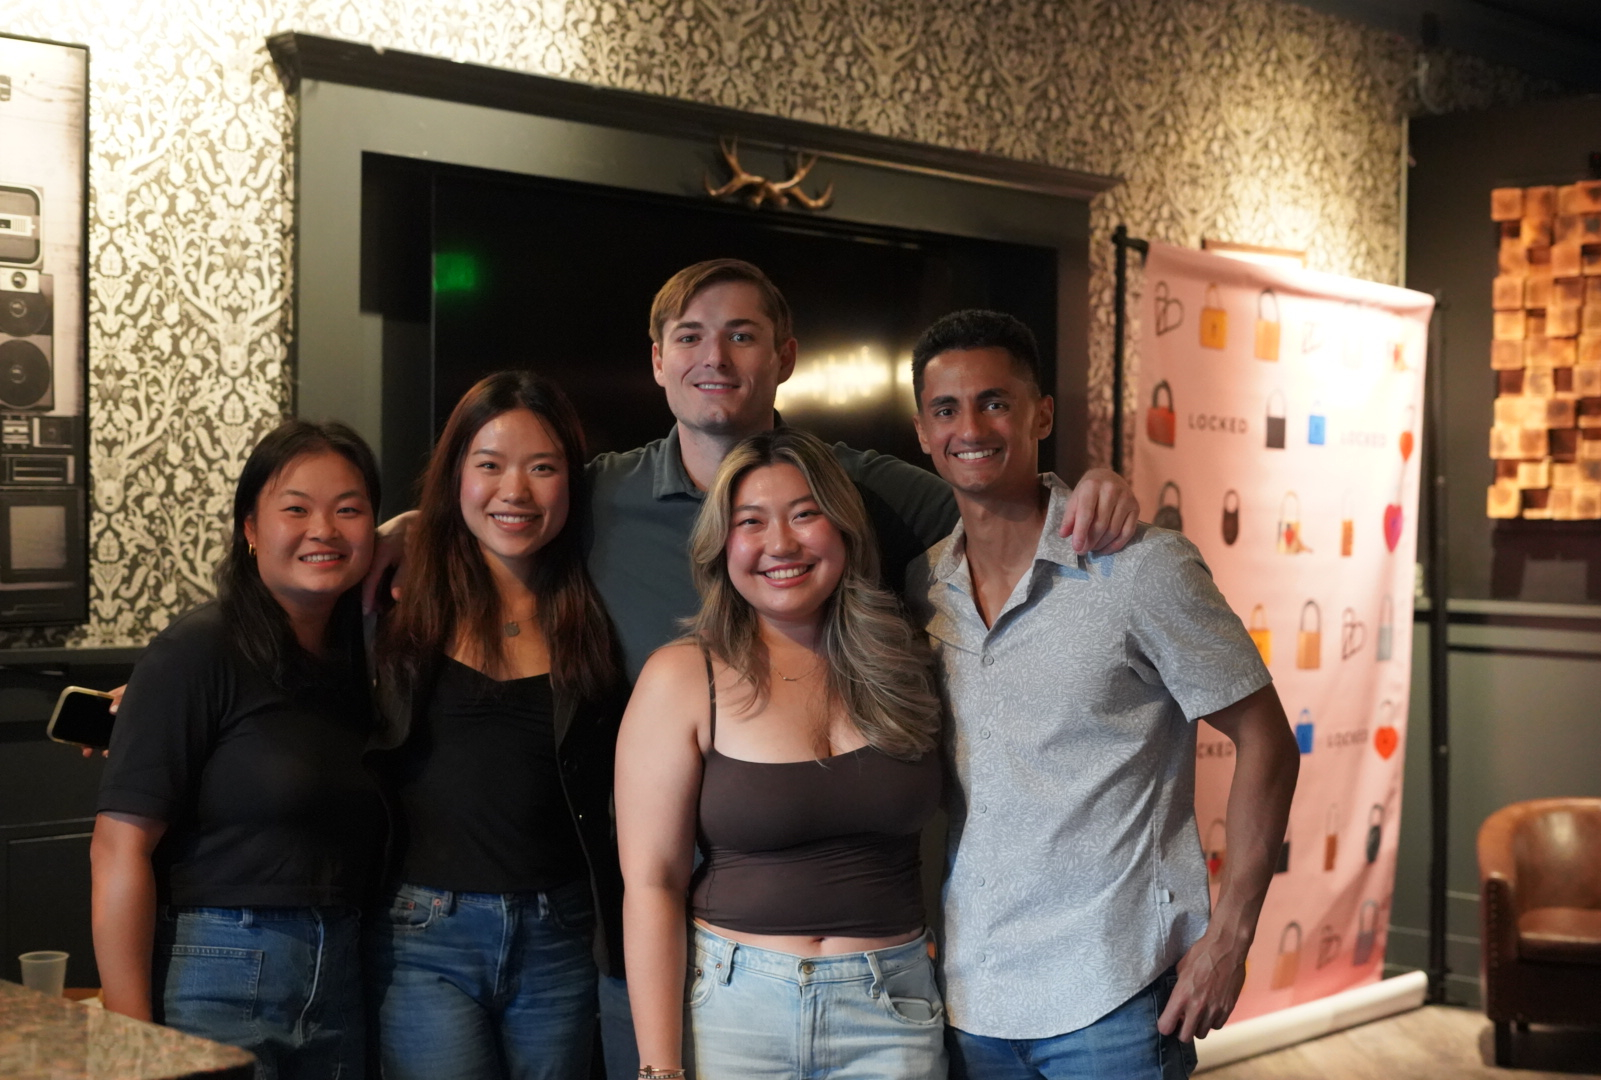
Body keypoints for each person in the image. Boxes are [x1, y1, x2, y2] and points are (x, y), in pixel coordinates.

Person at [368, 259, 1143, 1077]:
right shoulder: (598, 496)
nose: (717, 357)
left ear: (787, 356)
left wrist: (1091, 489)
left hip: (874, 960)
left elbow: (993, 489)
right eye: (691, 336)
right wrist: (409, 529)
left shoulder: (862, 485)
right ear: (658, 360)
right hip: (659, 936)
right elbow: (509, 498)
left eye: (744, 335)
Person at [905, 311, 1301, 1080]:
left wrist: (1230, 938)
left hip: (1114, 1002)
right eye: (946, 409)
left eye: (996, 401)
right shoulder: (923, 585)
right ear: (922, 432)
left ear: (1042, 414)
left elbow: (1268, 739)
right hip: (967, 1000)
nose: (971, 426)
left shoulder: (1139, 570)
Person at [617, 426, 947, 1080]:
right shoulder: (684, 677)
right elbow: (651, 885)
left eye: (805, 514)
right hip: (735, 1012)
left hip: (894, 1009)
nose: (781, 544)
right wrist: (658, 1070)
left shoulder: (909, 659)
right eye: (752, 522)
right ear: (722, 544)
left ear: (844, 530)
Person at [91, 420, 386, 1079]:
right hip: (219, 968)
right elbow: (118, 850)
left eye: (349, 510)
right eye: (295, 509)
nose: (324, 530)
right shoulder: (198, 650)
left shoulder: (363, 659)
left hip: (341, 972)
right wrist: (131, 1041)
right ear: (250, 528)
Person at [367, 371, 626, 1080]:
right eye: (489, 465)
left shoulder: (599, 604)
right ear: (456, 476)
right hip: (424, 934)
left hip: (563, 934)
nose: (515, 491)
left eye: (542, 468)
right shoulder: (394, 602)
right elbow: (277, 656)